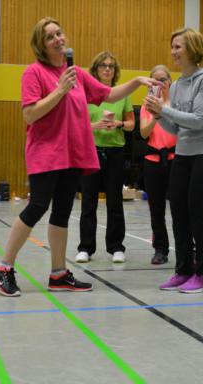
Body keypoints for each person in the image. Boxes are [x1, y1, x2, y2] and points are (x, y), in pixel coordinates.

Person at [0, 17, 158, 297]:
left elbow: (109, 94)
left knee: (62, 213)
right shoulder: (34, 73)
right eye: (50, 37)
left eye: (59, 33)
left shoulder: (77, 74)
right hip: (46, 153)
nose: (58, 39)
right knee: (37, 207)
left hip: (72, 155)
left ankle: (58, 274)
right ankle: (4, 267)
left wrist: (137, 82)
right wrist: (60, 90)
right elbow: (30, 114)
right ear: (41, 45)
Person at [144, 28, 203, 293]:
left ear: (193, 49)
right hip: (184, 155)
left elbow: (198, 121)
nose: (174, 52)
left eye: (179, 47)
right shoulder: (176, 85)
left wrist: (164, 110)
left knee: (197, 212)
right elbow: (176, 128)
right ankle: (184, 270)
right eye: (173, 47)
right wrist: (158, 114)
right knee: (178, 212)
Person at [75, 51, 134, 264]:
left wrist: (119, 124)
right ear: (96, 69)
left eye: (111, 66)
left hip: (115, 152)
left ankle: (116, 247)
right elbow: (76, 123)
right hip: (90, 151)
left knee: (115, 201)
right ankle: (86, 248)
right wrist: (93, 126)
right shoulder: (85, 94)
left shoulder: (122, 94)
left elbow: (131, 125)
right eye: (103, 65)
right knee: (88, 201)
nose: (107, 69)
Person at [139, 64, 176, 265]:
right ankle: (160, 249)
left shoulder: (177, 103)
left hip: (176, 159)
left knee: (180, 206)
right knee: (156, 208)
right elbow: (144, 133)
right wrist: (154, 113)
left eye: (164, 79)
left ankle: (187, 247)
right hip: (153, 161)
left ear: (170, 81)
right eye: (156, 80)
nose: (161, 83)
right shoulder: (146, 106)